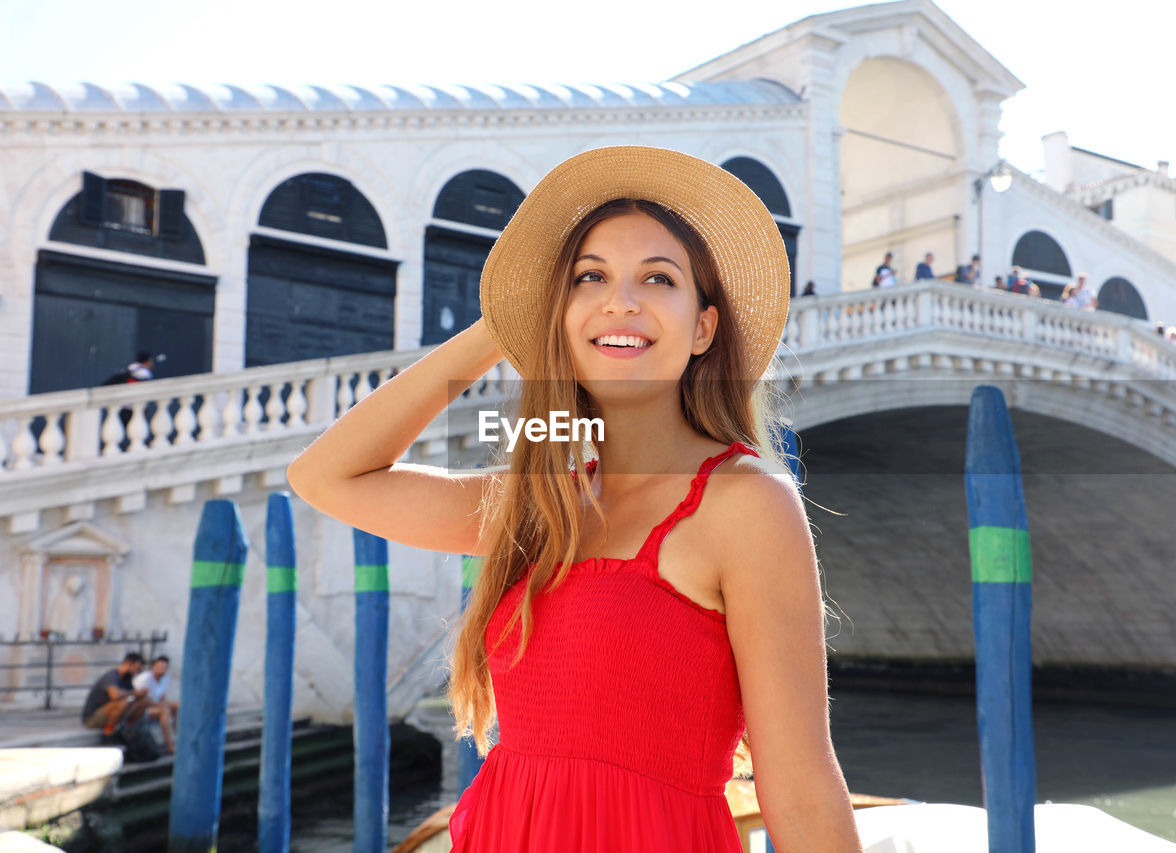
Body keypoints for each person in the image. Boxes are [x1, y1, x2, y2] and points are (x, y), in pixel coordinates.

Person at [287, 146, 862, 852]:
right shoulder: (540, 506)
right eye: (590, 278)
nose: (621, 299)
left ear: (704, 327)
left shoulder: (746, 502)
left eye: (659, 277)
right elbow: (326, 476)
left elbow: (801, 787)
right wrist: (493, 333)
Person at [82, 652, 150, 736]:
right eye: (136, 668)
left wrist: (141, 695)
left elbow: (135, 697)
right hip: (92, 718)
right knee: (121, 704)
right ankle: (108, 734)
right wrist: (133, 693)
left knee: (144, 701)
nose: (136, 672)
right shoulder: (111, 676)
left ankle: (128, 729)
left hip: (109, 715)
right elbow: (114, 695)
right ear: (128, 663)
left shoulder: (126, 679)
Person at [133, 655, 178, 755]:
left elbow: (162, 697)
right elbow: (138, 699)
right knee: (164, 711)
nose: (161, 669)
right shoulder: (144, 678)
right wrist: (161, 705)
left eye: (164, 667)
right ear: (153, 667)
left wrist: (164, 704)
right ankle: (169, 746)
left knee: (177, 706)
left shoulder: (165, 679)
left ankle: (179, 737)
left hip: (156, 705)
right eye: (159, 667)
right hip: (141, 709)